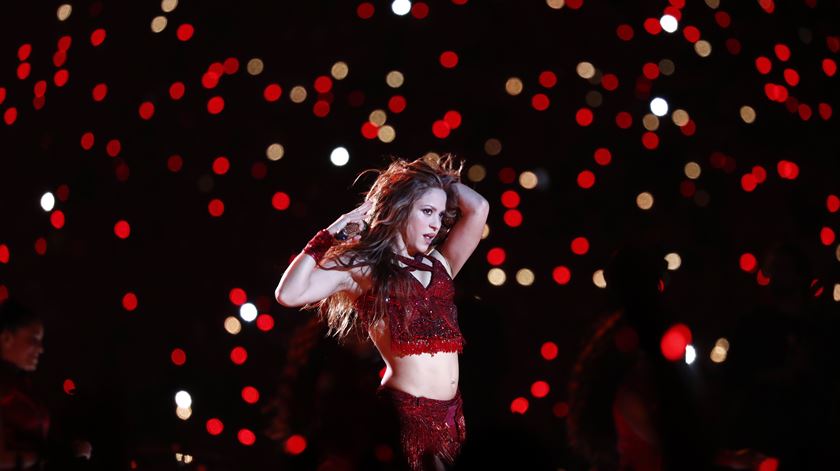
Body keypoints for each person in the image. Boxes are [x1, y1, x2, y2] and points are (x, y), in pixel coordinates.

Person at [275, 154, 489, 470]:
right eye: (427, 211)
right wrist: (332, 233)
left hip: (452, 416)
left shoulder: (440, 265)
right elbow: (288, 294)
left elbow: (479, 208)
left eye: (440, 215)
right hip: (406, 414)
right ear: (400, 209)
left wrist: (437, 181)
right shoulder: (365, 269)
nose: (435, 223)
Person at [0, 301, 92, 470]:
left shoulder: (20, 385)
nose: (41, 349)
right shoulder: (7, 387)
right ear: (6, 338)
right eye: (33, 339)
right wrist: (60, 454)